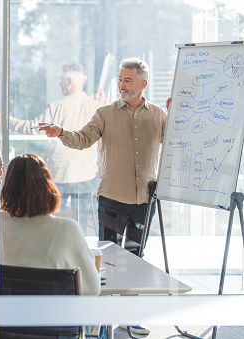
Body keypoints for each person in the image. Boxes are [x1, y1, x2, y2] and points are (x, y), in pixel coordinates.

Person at [40, 58, 166, 336]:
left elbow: (175, 145)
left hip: (143, 202)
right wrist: (60, 132)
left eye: (128, 80)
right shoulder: (105, 113)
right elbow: (83, 139)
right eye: (120, 79)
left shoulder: (158, 115)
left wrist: (177, 116)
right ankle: (101, 319)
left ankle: (128, 316)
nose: (121, 84)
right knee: (107, 259)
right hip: (111, 199)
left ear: (143, 84)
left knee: (135, 257)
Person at [0, 154, 100, 296]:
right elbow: (93, 289)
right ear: (48, 187)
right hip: (56, 316)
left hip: (9, 316)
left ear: (8, 188)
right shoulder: (69, 229)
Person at [0, 63, 104, 211]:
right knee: (84, 216)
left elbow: (32, 127)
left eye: (61, 79)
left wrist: (5, 119)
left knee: (57, 213)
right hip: (87, 174)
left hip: (61, 174)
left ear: (69, 81)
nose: (59, 83)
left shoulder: (56, 107)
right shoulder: (97, 107)